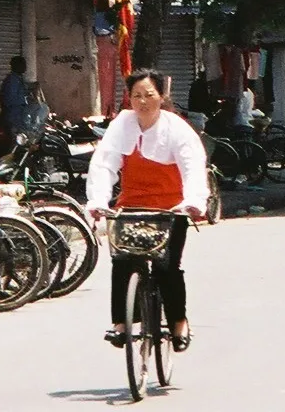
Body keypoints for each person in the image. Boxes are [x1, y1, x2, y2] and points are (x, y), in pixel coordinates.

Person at [86, 68, 208, 353]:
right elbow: (104, 163)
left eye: (149, 95)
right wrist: (99, 201)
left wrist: (193, 201)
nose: (142, 102)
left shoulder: (176, 128)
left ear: (161, 96)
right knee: (123, 261)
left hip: (171, 209)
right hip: (132, 206)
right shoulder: (123, 125)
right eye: (136, 96)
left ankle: (178, 322)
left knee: (167, 267)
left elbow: (192, 166)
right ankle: (121, 323)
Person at [0, 56, 28, 136]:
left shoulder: (19, 79)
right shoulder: (12, 80)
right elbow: (10, 99)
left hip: (18, 116)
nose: (25, 67)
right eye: (22, 64)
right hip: (13, 116)